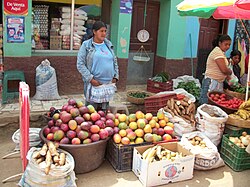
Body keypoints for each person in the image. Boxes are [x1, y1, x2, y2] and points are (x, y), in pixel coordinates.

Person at [77, 21, 119, 111]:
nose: (104, 33)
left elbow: (114, 61)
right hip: (94, 86)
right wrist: (91, 79)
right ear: (94, 32)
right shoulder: (86, 45)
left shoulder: (108, 44)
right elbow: (80, 64)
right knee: (91, 113)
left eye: (105, 31)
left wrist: (115, 76)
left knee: (104, 114)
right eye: (101, 31)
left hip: (107, 86)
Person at [199, 34, 232, 104]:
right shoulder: (217, 52)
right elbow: (224, 70)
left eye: (229, 45)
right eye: (226, 44)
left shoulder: (221, 53)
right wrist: (230, 71)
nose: (228, 47)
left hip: (217, 82)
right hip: (211, 81)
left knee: (214, 103)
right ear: (220, 43)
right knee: (206, 103)